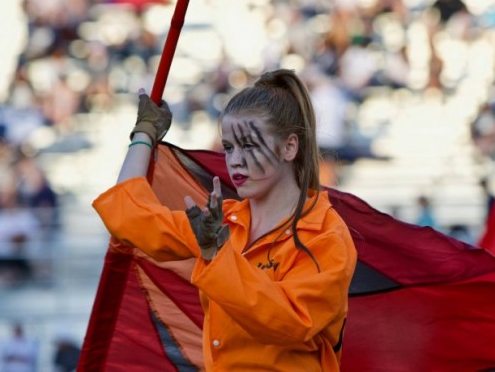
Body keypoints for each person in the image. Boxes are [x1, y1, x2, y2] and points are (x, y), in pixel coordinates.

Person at [92, 69, 358, 371]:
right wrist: (144, 133)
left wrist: (217, 255)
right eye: (229, 147)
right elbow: (127, 216)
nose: (234, 160)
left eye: (249, 145)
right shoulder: (224, 222)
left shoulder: (325, 233)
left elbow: (290, 322)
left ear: (289, 147)